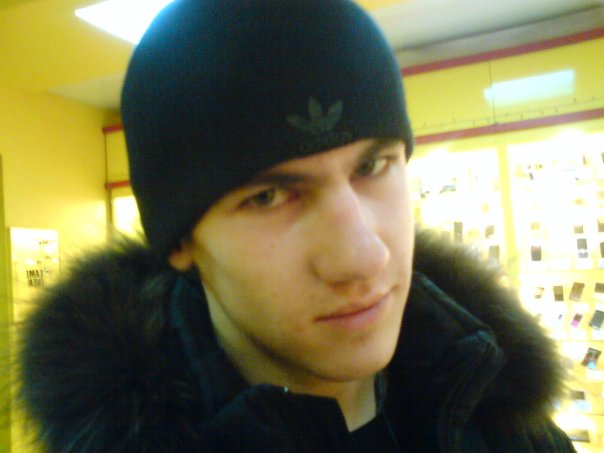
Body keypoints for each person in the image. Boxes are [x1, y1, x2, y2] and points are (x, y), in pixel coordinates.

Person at [17, 0, 576, 451]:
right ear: (181, 240)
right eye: (269, 196)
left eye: (372, 166)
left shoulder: (500, 416)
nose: (364, 256)